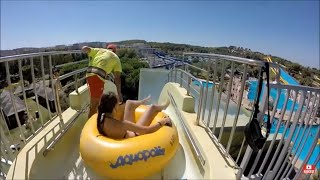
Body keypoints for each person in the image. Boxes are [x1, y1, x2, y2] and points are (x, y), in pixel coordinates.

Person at [97, 92, 172, 139]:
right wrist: (164, 121)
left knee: (128, 103)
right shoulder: (122, 124)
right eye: (118, 104)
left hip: (125, 132)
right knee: (152, 108)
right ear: (113, 108)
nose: (119, 105)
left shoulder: (101, 118)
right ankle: (163, 107)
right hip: (134, 135)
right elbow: (147, 130)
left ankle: (143, 101)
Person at [81, 44, 123, 118]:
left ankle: (97, 117)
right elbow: (117, 78)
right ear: (115, 51)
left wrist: (84, 49)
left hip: (89, 75)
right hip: (97, 77)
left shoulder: (100, 50)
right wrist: (119, 93)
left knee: (98, 100)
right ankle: (90, 125)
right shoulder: (116, 58)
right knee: (94, 104)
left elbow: (86, 49)